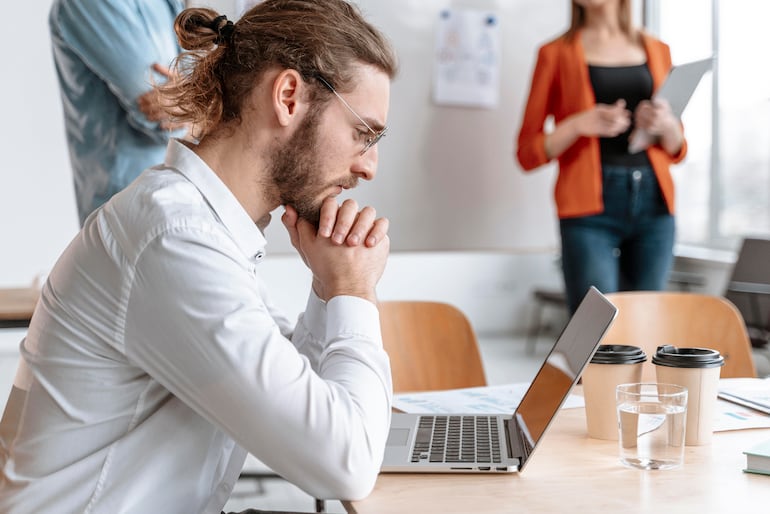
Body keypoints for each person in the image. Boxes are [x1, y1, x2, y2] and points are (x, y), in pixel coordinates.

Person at [0, 1, 398, 512]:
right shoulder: (173, 237)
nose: (369, 167)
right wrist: (352, 289)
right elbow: (341, 464)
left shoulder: (203, 227)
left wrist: (328, 287)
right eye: (363, 134)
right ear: (289, 96)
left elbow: (298, 394)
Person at [516, 0, 687, 314]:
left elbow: (677, 148)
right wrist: (578, 124)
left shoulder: (658, 49)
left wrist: (666, 125)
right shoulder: (554, 53)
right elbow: (527, 152)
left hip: (655, 204)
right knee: (594, 329)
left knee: (648, 325)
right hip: (588, 210)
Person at [49, 0, 187, 226]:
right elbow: (165, 119)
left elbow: (197, 86)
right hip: (129, 213)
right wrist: (210, 100)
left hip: (178, 202)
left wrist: (198, 99)